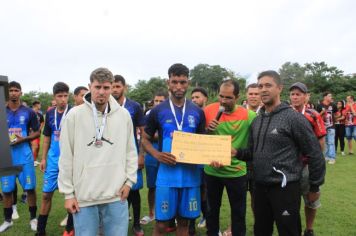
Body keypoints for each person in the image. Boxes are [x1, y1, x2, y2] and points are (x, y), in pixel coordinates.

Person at [235, 70, 325, 236]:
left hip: (285, 188)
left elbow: (315, 154)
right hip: (260, 187)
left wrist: (314, 186)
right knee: (261, 230)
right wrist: (236, 152)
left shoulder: (293, 118)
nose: (263, 89)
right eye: (260, 85)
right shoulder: (257, 120)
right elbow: (252, 153)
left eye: (268, 85)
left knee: (289, 231)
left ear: (279, 88)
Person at [58, 67, 138, 236]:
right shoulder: (74, 116)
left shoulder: (123, 115)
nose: (102, 92)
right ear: (90, 86)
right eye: (97, 87)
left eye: (106, 87)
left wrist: (129, 181)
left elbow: (130, 152)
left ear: (111, 88)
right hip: (84, 195)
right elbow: (66, 157)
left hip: (116, 195)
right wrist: (68, 194)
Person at [142, 63, 206, 236]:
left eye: (183, 82)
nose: (179, 86)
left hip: (190, 176)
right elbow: (145, 139)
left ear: (188, 82)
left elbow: (203, 142)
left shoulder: (197, 112)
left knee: (184, 223)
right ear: (168, 82)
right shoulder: (158, 110)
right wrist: (157, 154)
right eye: (175, 82)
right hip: (166, 176)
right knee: (161, 225)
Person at [204, 79, 256, 236]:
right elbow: (200, 139)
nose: (223, 101)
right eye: (221, 96)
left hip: (237, 172)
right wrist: (207, 130)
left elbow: (254, 147)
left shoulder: (249, 116)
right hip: (212, 171)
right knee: (212, 210)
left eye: (228, 98)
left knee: (238, 212)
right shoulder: (208, 111)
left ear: (238, 97)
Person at [0, 81, 39, 233]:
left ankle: (33, 219)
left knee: (29, 188)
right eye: (11, 90)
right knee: (7, 190)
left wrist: (25, 139)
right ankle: (7, 221)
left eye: (17, 90)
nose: (14, 93)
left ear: (21, 93)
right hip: (6, 157)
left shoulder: (29, 112)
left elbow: (37, 132)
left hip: (24, 156)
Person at [289, 82, 326, 236]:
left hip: (307, 165)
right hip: (289, 165)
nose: (295, 97)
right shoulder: (285, 113)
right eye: (292, 94)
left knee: (310, 200)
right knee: (290, 201)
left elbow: (321, 140)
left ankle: (309, 229)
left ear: (305, 96)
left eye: (298, 94)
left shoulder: (313, 115)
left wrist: (315, 164)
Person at [36, 82, 71, 236]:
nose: (63, 99)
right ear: (54, 97)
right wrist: (43, 159)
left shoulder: (74, 112)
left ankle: (70, 229)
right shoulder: (50, 114)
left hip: (70, 161)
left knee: (72, 194)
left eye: (65, 96)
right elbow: (47, 139)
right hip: (53, 160)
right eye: (60, 96)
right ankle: (40, 230)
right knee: (45, 194)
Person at [112, 74, 145, 236]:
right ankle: (114, 223)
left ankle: (136, 224)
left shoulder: (134, 106)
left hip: (131, 155)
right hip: (111, 156)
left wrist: (141, 155)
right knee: (113, 189)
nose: (115, 89)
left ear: (124, 87)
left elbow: (143, 132)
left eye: (118, 86)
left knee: (134, 190)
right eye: (112, 86)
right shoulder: (105, 105)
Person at [140, 91, 168, 226]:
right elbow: (145, 136)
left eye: (161, 101)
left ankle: (169, 214)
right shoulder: (148, 114)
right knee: (152, 186)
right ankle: (151, 213)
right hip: (152, 155)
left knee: (168, 186)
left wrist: (155, 134)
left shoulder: (171, 114)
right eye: (155, 101)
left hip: (167, 154)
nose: (157, 104)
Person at [190, 87, 209, 235]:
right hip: (192, 160)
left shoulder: (210, 113)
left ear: (205, 98)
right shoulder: (189, 114)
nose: (195, 100)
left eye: (198, 97)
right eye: (193, 97)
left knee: (204, 190)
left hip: (206, 160)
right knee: (192, 190)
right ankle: (190, 224)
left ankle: (206, 218)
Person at [316, 92, 337, 164]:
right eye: (329, 96)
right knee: (325, 142)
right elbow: (316, 116)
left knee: (331, 142)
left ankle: (332, 158)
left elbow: (336, 114)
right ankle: (326, 156)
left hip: (331, 126)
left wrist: (335, 120)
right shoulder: (319, 105)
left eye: (331, 96)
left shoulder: (333, 105)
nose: (331, 97)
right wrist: (322, 112)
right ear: (325, 97)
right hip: (322, 127)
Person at [31, 100, 45, 167]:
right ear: (36, 105)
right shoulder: (30, 113)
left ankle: (35, 159)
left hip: (38, 133)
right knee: (35, 146)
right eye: (39, 105)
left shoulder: (40, 114)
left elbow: (42, 122)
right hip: (31, 133)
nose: (40, 106)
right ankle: (32, 161)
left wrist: (39, 129)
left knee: (38, 146)